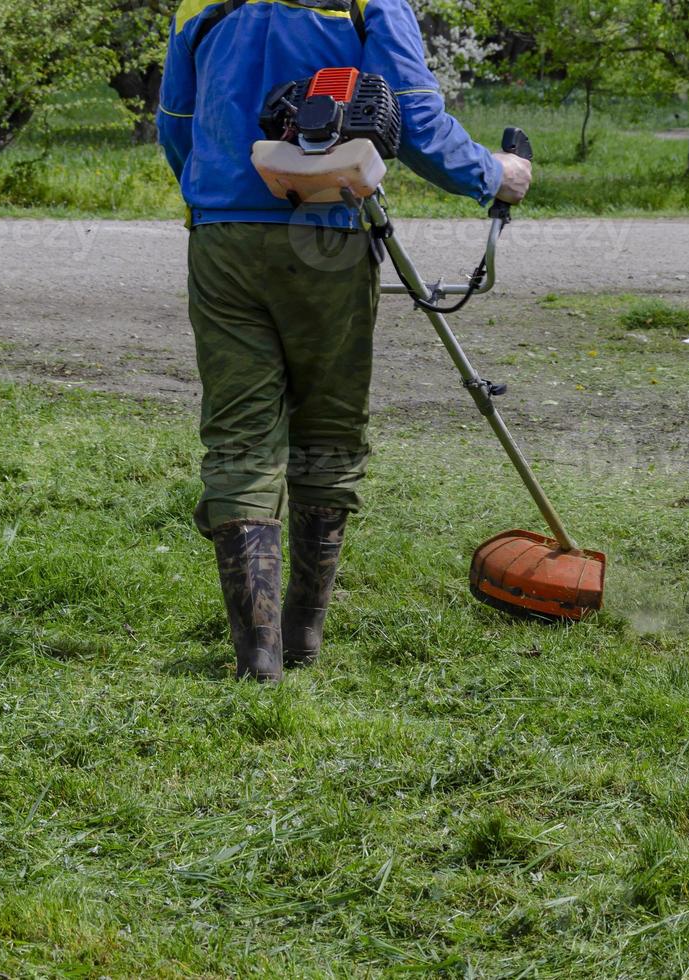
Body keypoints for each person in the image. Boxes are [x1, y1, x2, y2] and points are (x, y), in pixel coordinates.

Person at [158, 0, 532, 681]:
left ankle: (260, 662)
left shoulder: (199, 6)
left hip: (221, 239)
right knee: (327, 430)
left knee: (241, 439)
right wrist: (495, 173)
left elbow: (176, 127)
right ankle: (302, 637)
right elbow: (415, 124)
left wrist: (220, 195)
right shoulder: (371, 4)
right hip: (327, 237)